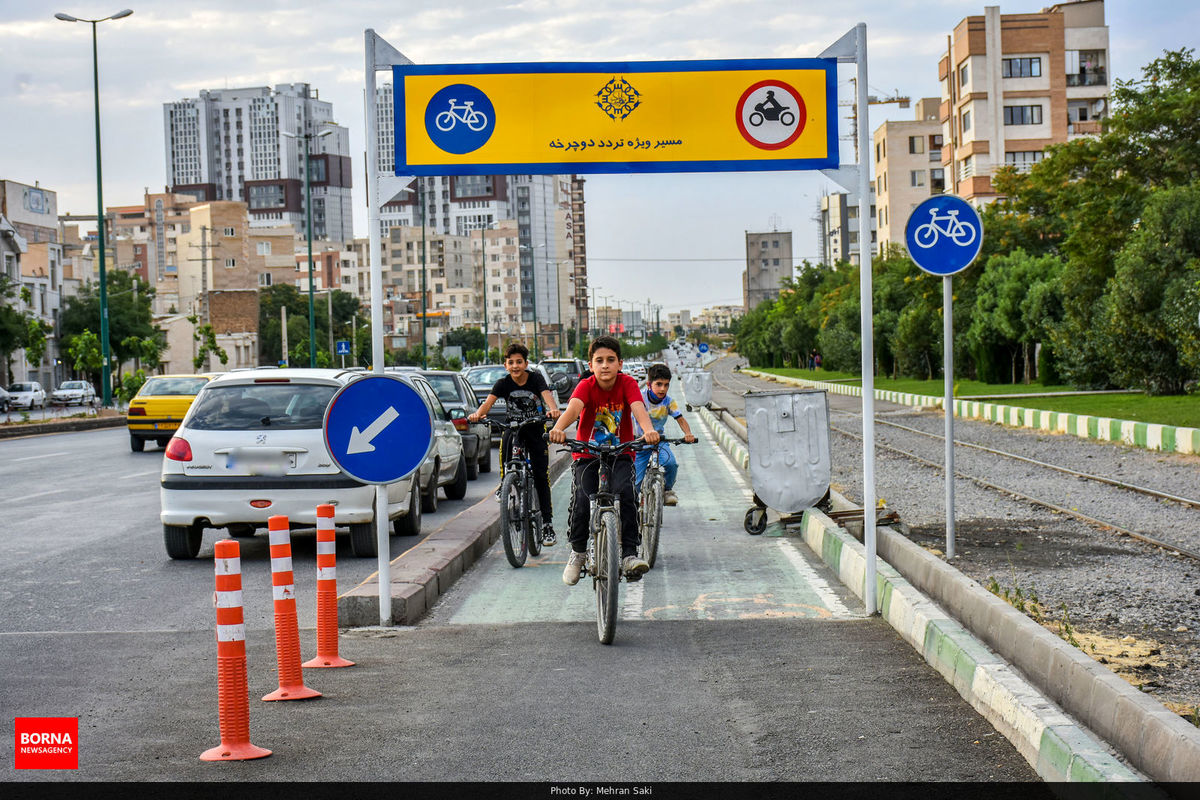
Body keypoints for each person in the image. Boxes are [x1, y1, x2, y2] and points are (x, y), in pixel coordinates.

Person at [548, 335, 660, 585]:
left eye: (611, 360)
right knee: (581, 500)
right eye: (599, 360)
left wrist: (648, 430)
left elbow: (638, 408)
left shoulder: (627, 383)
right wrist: (558, 429)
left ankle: (630, 554)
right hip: (587, 454)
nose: (605, 365)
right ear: (591, 365)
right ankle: (577, 553)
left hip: (621, 453)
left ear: (620, 363)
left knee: (628, 495)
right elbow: (573, 409)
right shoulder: (586, 386)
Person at [469, 343, 561, 546]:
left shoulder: (535, 378)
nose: (515, 366)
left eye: (519, 362)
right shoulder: (503, 383)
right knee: (507, 439)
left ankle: (547, 524)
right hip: (515, 428)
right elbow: (488, 403)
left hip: (535, 428)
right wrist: (478, 414)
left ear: (526, 363)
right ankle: (505, 481)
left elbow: (547, 397)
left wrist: (553, 410)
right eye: (511, 362)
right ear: (505, 365)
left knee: (540, 476)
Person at [633, 363, 696, 506]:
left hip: (659, 441)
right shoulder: (638, 399)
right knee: (635, 482)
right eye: (659, 384)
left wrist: (688, 433)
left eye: (666, 385)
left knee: (671, 464)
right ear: (649, 384)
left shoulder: (669, 402)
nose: (663, 389)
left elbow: (680, 419)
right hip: (639, 443)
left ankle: (667, 490)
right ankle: (634, 507)